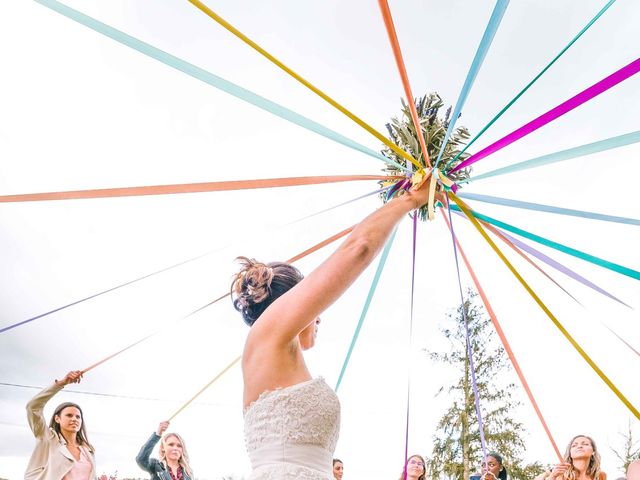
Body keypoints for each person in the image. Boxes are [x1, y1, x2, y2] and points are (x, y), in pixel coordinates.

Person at [232, 177, 437, 479]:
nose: (318, 313)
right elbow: (359, 248)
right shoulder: (267, 333)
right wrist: (409, 199)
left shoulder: (277, 351)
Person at [25, 370, 96, 480]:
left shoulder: (88, 450)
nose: (74, 419)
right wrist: (62, 383)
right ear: (57, 418)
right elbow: (32, 407)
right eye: (69, 415)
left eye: (78, 417)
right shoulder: (47, 438)